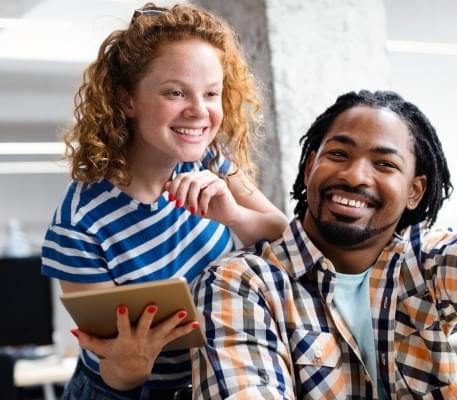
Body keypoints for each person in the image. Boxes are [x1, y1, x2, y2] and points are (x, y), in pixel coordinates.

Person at [191, 90, 457, 399]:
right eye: (338, 154)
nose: (355, 176)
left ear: (415, 191)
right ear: (310, 167)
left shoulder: (418, 263)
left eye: (384, 164)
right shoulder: (239, 283)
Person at [41, 2, 287, 399]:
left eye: (211, 93)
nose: (199, 111)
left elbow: (283, 236)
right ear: (127, 101)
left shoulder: (211, 161)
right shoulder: (80, 224)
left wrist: (235, 215)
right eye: (175, 92)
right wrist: (131, 368)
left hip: (214, 378)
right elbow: (113, 370)